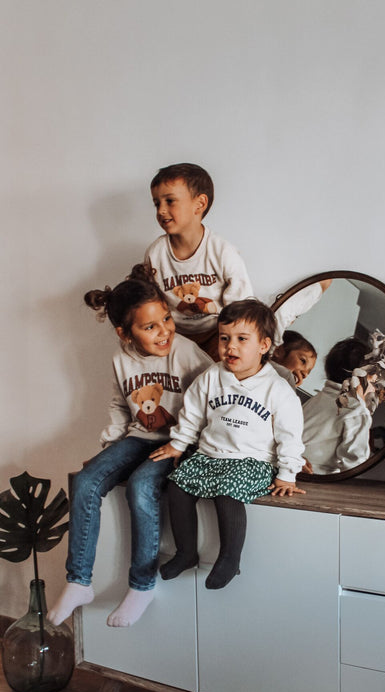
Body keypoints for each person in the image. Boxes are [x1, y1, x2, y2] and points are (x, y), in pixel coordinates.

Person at [47, 270, 212, 629]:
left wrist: (187, 442)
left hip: (180, 444)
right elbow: (120, 406)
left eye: (166, 319)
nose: (164, 331)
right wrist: (109, 451)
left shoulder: (186, 352)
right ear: (125, 333)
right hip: (137, 438)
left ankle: (141, 584)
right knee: (87, 479)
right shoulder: (122, 360)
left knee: (140, 486)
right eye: (150, 327)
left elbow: (214, 397)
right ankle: (78, 581)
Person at [150, 298, 305, 590]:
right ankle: (186, 552)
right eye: (224, 338)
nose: (229, 347)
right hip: (209, 456)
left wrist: (287, 474)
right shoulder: (212, 376)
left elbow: (290, 434)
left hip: (252, 461)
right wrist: (179, 445)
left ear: (263, 346)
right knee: (177, 487)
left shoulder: (278, 390)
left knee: (228, 493)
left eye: (241, 339)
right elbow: (193, 412)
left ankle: (230, 559)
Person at [143, 163, 253, 357]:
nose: (161, 210)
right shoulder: (155, 253)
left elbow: (241, 306)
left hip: (216, 334)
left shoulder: (222, 251)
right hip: (175, 335)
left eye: (170, 201)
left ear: (200, 204)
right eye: (156, 203)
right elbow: (151, 302)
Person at [301, 337, 372, 475]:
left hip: (291, 470)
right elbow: (355, 464)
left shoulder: (317, 400)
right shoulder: (356, 409)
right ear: (364, 378)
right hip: (317, 478)